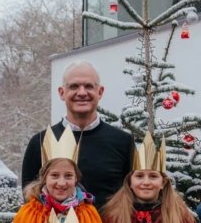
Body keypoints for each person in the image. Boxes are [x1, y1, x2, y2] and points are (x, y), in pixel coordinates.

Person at [21, 62, 136, 208]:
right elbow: (29, 201)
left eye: (89, 86)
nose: (82, 92)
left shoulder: (123, 142)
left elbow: (133, 196)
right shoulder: (40, 142)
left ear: (100, 92)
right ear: (62, 93)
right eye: (74, 86)